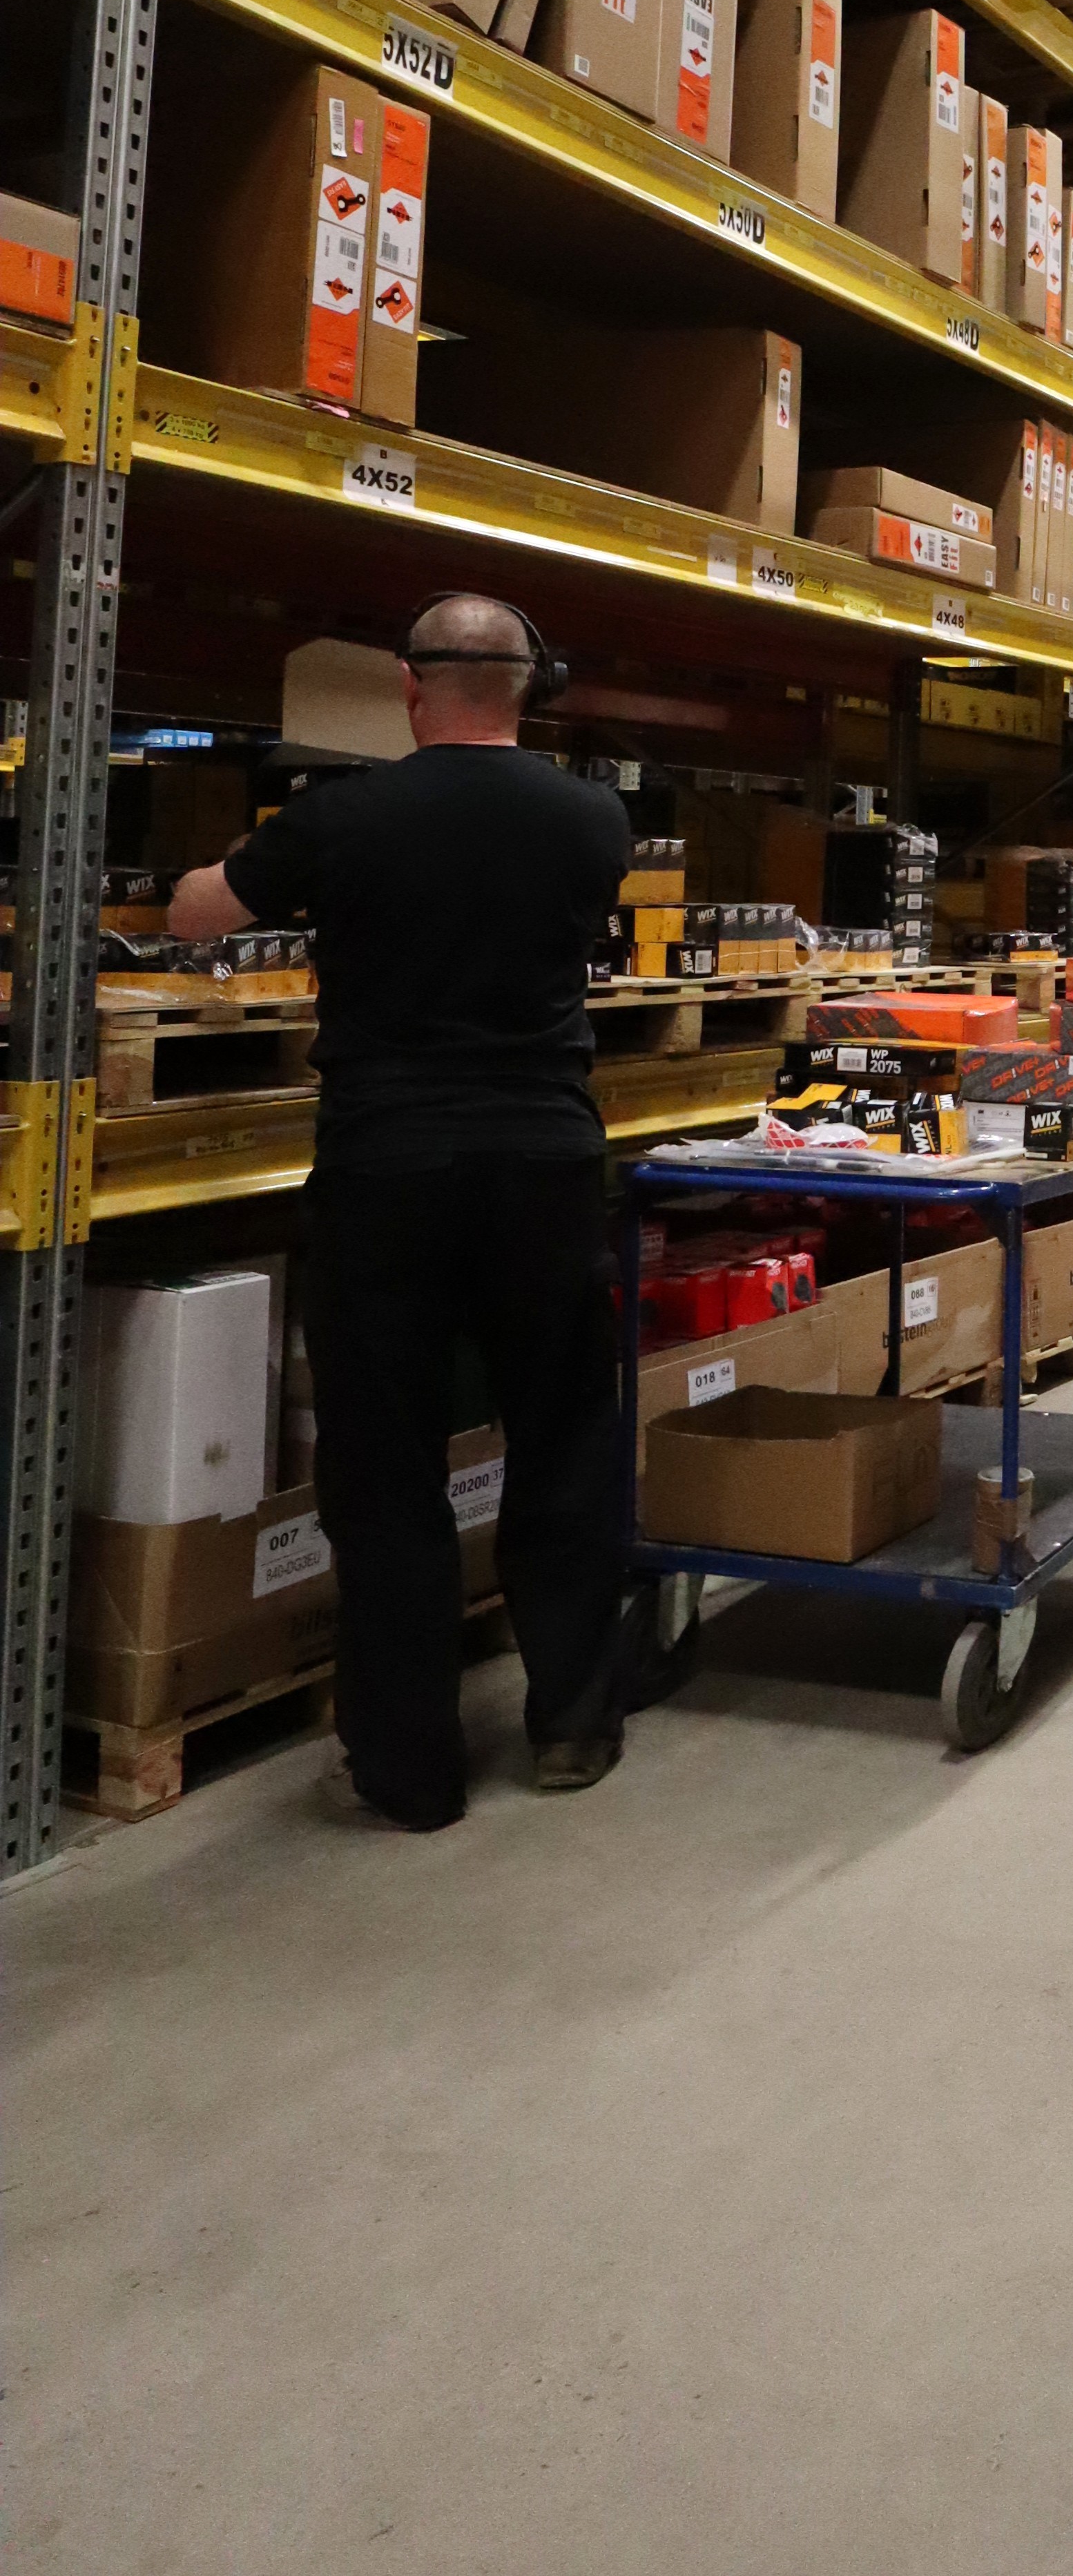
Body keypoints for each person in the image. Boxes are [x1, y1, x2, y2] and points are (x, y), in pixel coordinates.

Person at [168, 593, 637, 1829]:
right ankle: (574, 1725)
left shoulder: (344, 818)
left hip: (386, 1172)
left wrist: (225, 873)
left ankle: (411, 1773)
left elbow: (197, 913)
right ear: (528, 685)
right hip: (542, 1164)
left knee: (385, 1471)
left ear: (407, 686)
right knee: (566, 1437)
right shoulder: (595, 820)